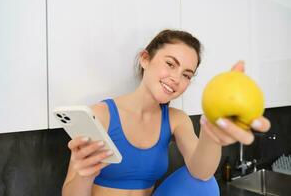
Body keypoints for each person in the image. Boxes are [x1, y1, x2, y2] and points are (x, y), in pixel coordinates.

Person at [61, 29, 271, 196]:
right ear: (145, 59)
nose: (176, 78)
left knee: (204, 186)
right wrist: (84, 174)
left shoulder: (175, 120)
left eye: (186, 75)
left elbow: (202, 173)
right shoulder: (102, 114)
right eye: (170, 64)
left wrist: (211, 133)